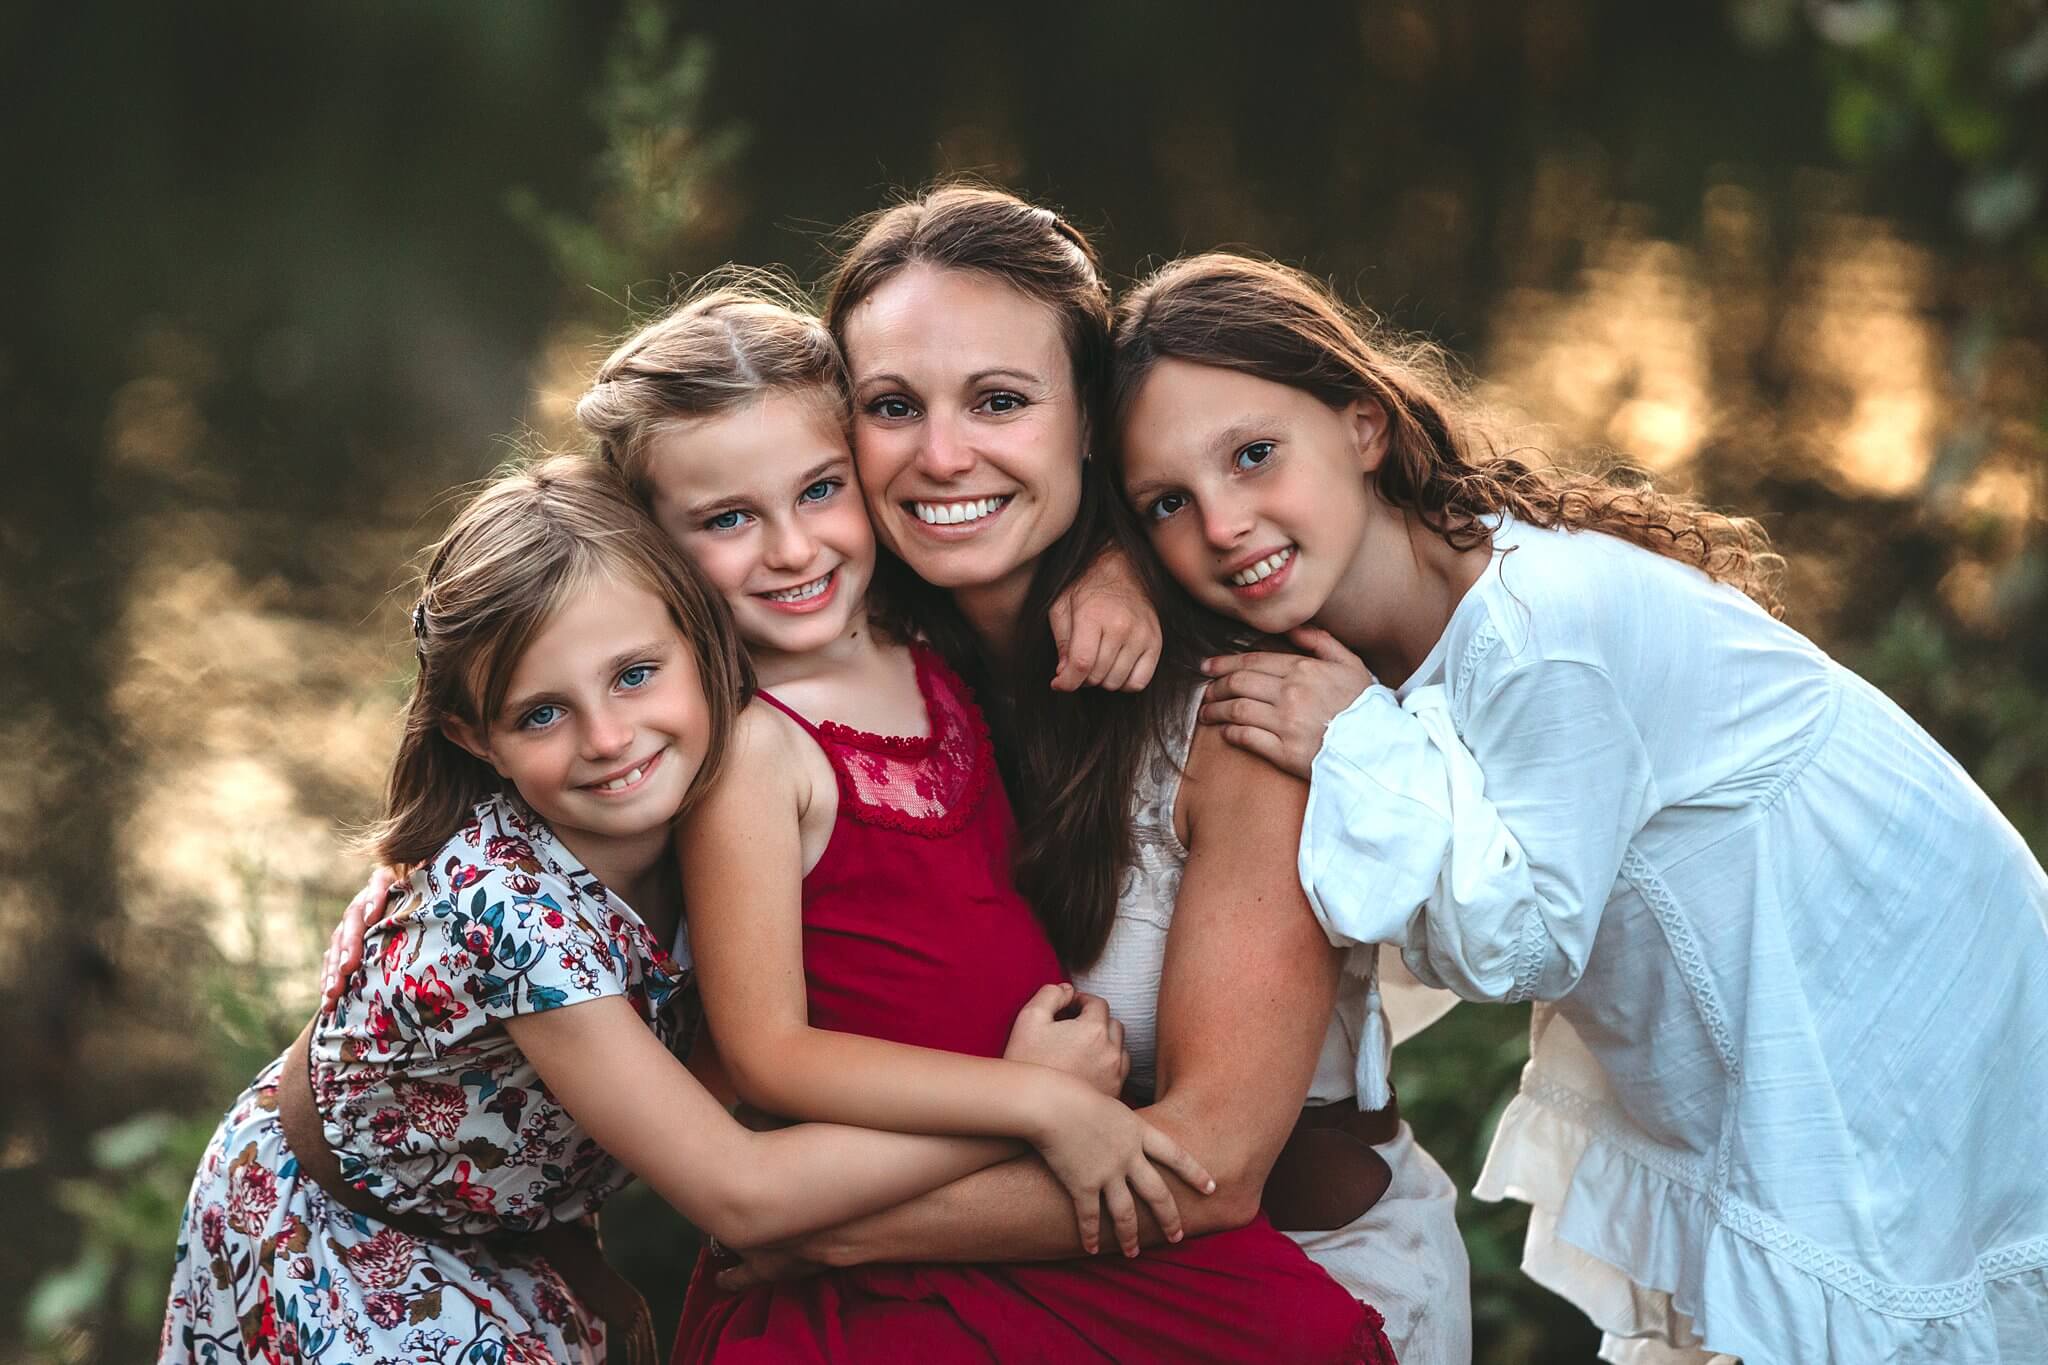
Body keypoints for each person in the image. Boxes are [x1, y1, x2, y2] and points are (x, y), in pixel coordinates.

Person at [1107, 250, 2048, 1364]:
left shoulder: (1535, 629)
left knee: (1872, 1305)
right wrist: (1101, 576)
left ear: (1362, 428)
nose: (1220, 523)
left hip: (1884, 982)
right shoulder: (1348, 622)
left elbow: (1526, 945)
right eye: (1166, 503)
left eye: (1254, 455)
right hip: (1763, 1002)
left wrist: (1356, 741)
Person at [702, 183, 1467, 1365]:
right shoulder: (851, 676)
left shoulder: (1233, 705)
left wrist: (819, 1228)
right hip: (992, 1300)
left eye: (1000, 401)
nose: (941, 454)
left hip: (1277, 1279)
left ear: (1089, 423)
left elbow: (1208, 1167)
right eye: (891, 406)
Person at [161, 458, 1102, 1365]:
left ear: (700, 640)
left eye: (634, 674)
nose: (609, 739)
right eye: (541, 714)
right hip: (343, 1245)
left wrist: (1117, 570)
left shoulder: (725, 805)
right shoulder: (508, 914)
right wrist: (1028, 1101)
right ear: (472, 736)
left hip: (510, 1225)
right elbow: (741, 1195)